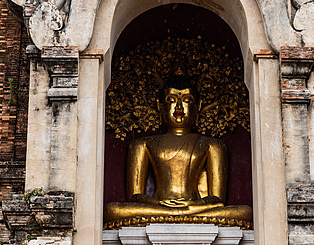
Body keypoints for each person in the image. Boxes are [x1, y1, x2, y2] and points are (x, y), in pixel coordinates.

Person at [104, 76, 252, 226]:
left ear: (198, 106)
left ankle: (177, 214)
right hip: (159, 207)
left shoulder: (212, 145)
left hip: (194, 207)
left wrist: (192, 205)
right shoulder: (142, 144)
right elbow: (134, 196)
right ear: (160, 106)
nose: (179, 107)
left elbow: (217, 200)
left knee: (244, 212)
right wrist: (161, 203)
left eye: (187, 100)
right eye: (171, 100)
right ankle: (176, 214)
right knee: (113, 210)